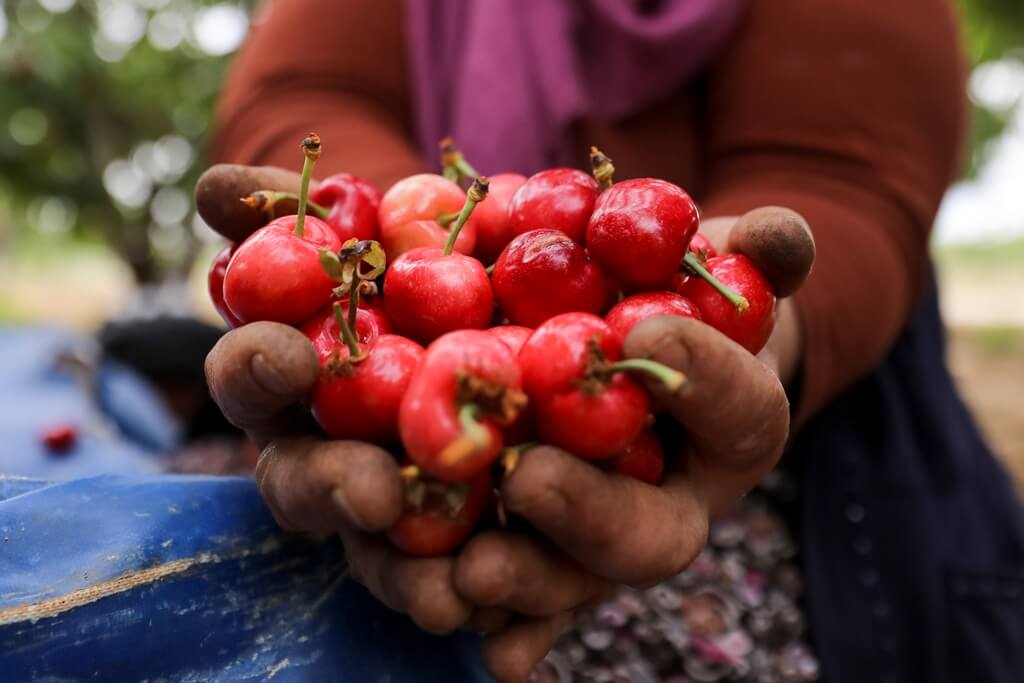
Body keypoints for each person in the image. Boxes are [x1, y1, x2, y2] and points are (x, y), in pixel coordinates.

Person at [197, 1, 1024, 681]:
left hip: (791, 442)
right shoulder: (422, 291)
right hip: (439, 361)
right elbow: (306, 86)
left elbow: (843, 169)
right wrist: (364, 244)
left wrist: (751, 331)